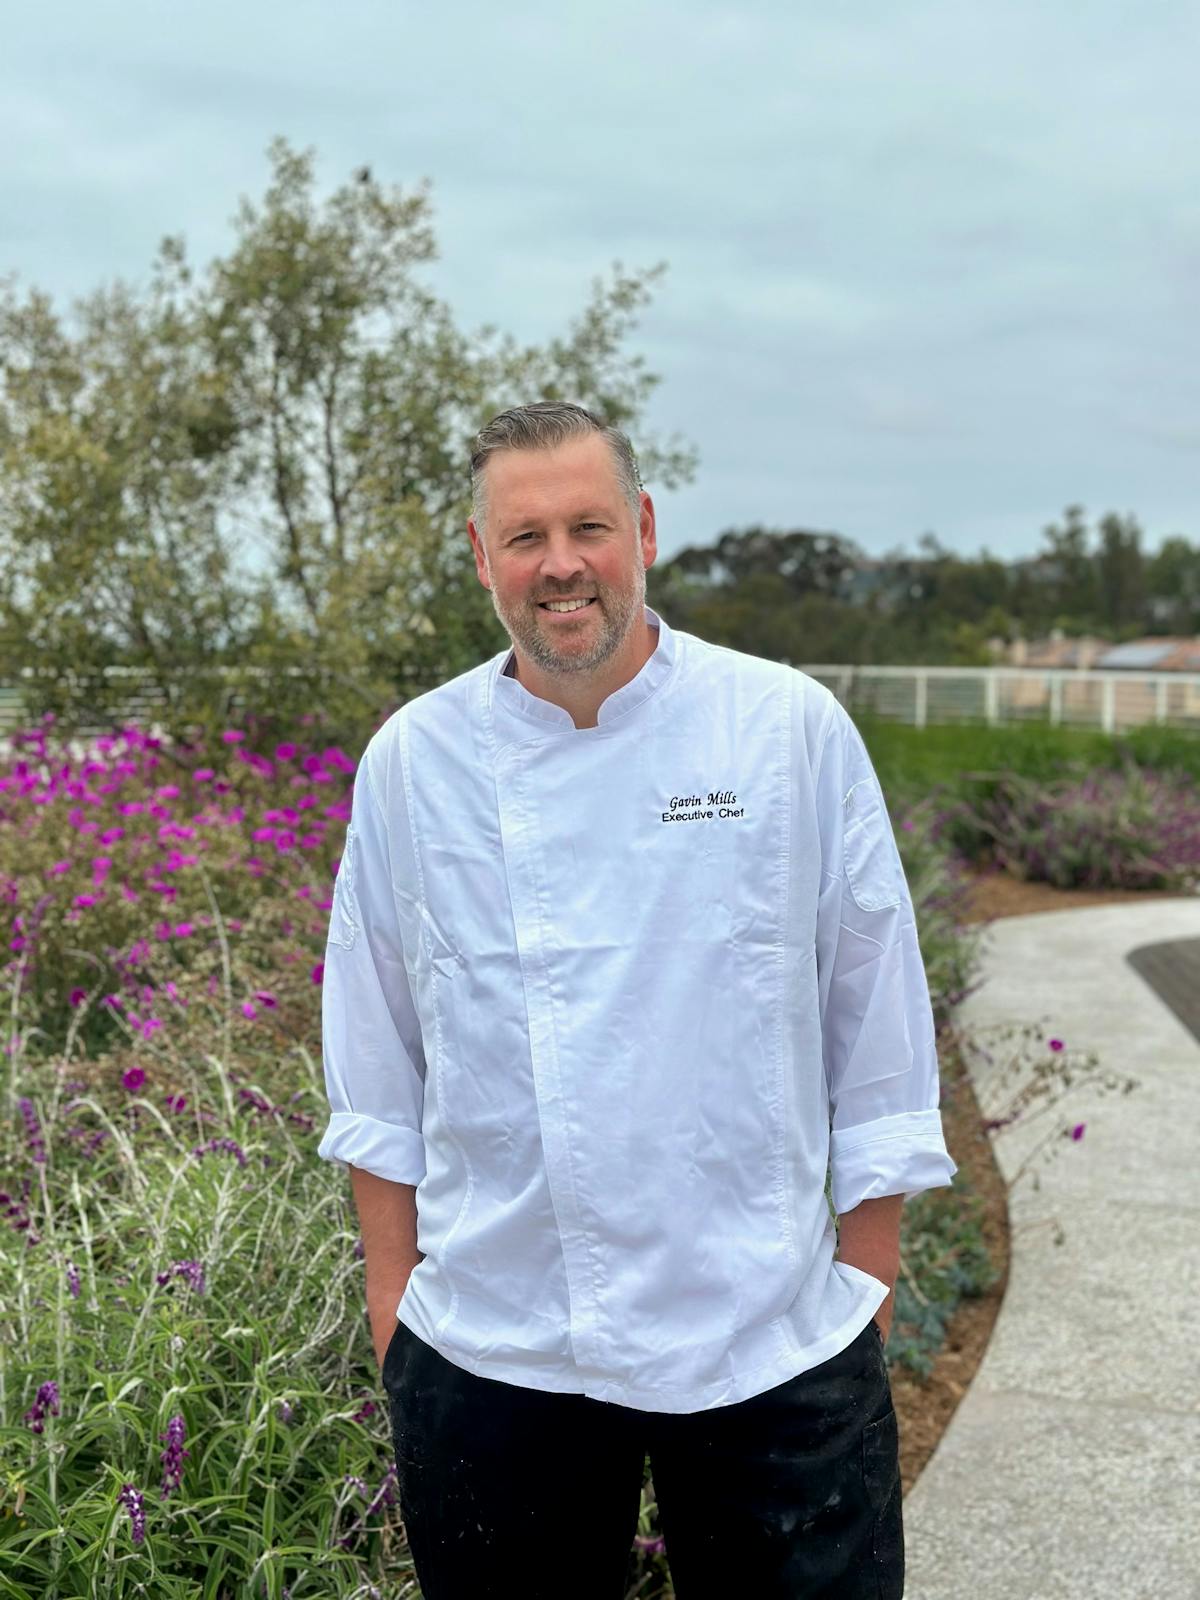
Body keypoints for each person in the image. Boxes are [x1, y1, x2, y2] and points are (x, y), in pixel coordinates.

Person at [317, 401, 956, 1599]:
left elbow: (872, 1008)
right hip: (496, 1343)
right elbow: (375, 1040)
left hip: (770, 1336)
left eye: (589, 525)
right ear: (480, 554)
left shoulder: (782, 730)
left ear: (645, 531)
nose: (560, 564)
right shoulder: (414, 760)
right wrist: (393, 1294)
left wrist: (864, 1282)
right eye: (525, 536)